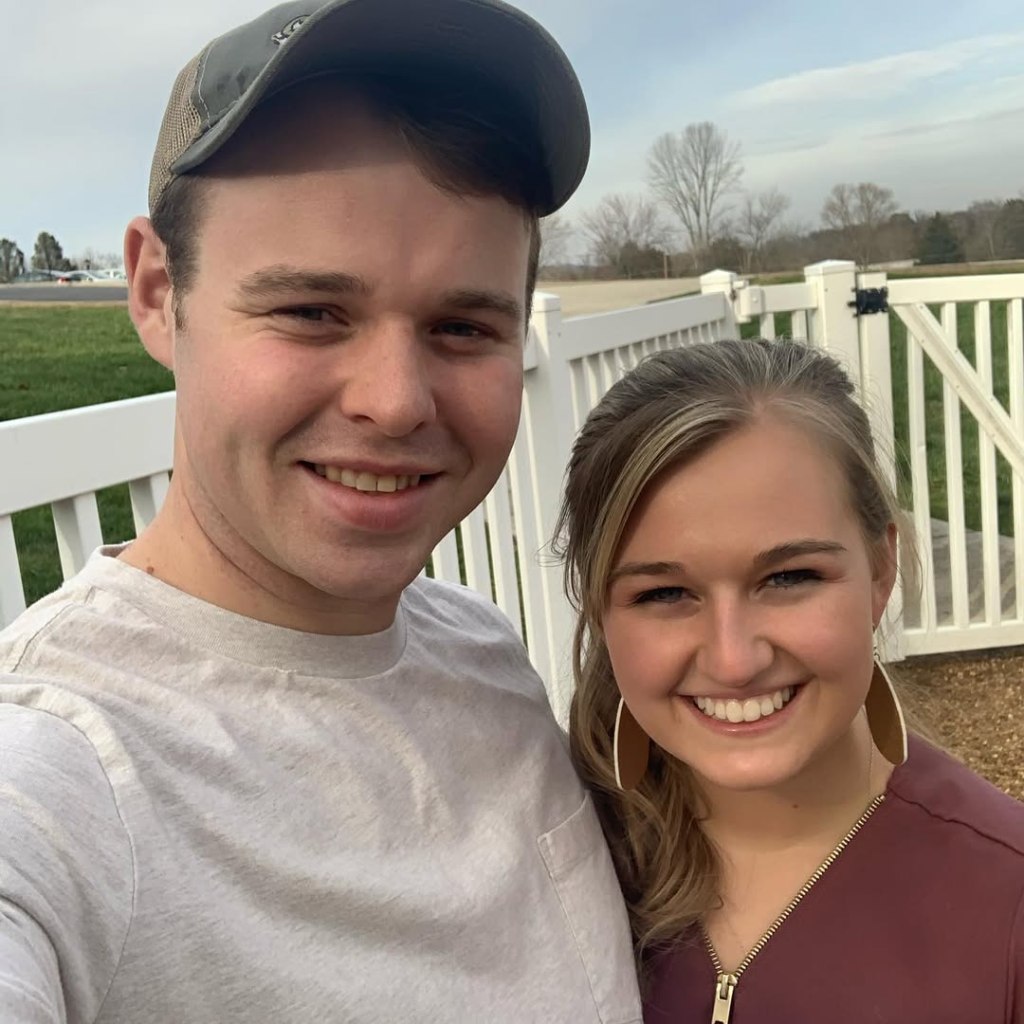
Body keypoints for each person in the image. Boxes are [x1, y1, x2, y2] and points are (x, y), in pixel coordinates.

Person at [0, 2, 642, 1021]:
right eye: (310, 311)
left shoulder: (479, 650)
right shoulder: (61, 772)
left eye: (463, 325)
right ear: (159, 291)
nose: (395, 400)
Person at [557, 338, 1024, 1023]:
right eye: (664, 593)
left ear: (880, 571)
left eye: (789, 578)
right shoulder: (548, 853)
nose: (734, 660)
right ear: (601, 609)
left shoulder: (1005, 900)